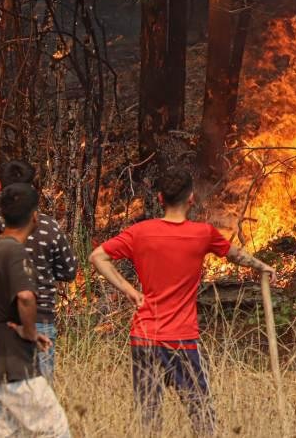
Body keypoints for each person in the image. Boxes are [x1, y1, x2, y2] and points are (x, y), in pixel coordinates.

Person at [90, 167, 275, 436]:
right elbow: (235, 254)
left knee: (149, 417)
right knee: (201, 415)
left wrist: (129, 290)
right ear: (191, 199)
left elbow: (97, 256)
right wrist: (262, 266)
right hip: (181, 340)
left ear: (160, 199)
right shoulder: (203, 234)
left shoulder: (140, 232)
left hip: (143, 338)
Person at [0, 160, 77, 381]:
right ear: (31, 192)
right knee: (38, 398)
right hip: (40, 320)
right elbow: (69, 270)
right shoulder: (47, 226)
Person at [0, 183, 71, 438]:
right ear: (34, 215)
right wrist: (29, 331)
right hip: (14, 364)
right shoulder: (15, 251)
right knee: (55, 429)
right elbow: (26, 297)